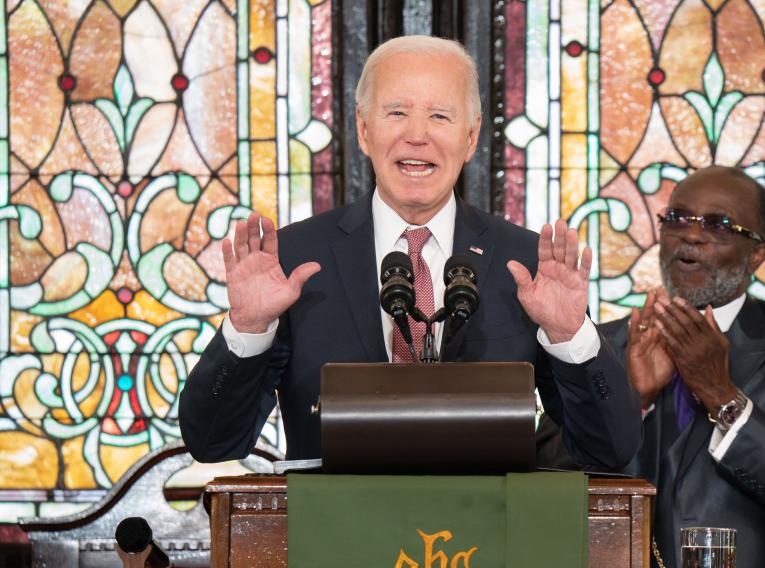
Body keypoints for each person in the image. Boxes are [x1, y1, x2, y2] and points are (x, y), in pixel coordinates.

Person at [178, 35, 643, 468]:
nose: (417, 135)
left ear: (471, 136)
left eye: (440, 116)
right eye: (396, 113)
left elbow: (611, 450)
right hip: (333, 544)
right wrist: (248, 329)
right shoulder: (296, 260)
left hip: (484, 547)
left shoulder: (524, 264)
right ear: (363, 130)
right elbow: (213, 443)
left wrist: (570, 336)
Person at [537, 166, 765, 568]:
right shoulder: (599, 347)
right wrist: (629, 399)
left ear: (758, 254)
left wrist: (722, 395)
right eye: (678, 219)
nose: (691, 236)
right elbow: (542, 482)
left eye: (719, 225)